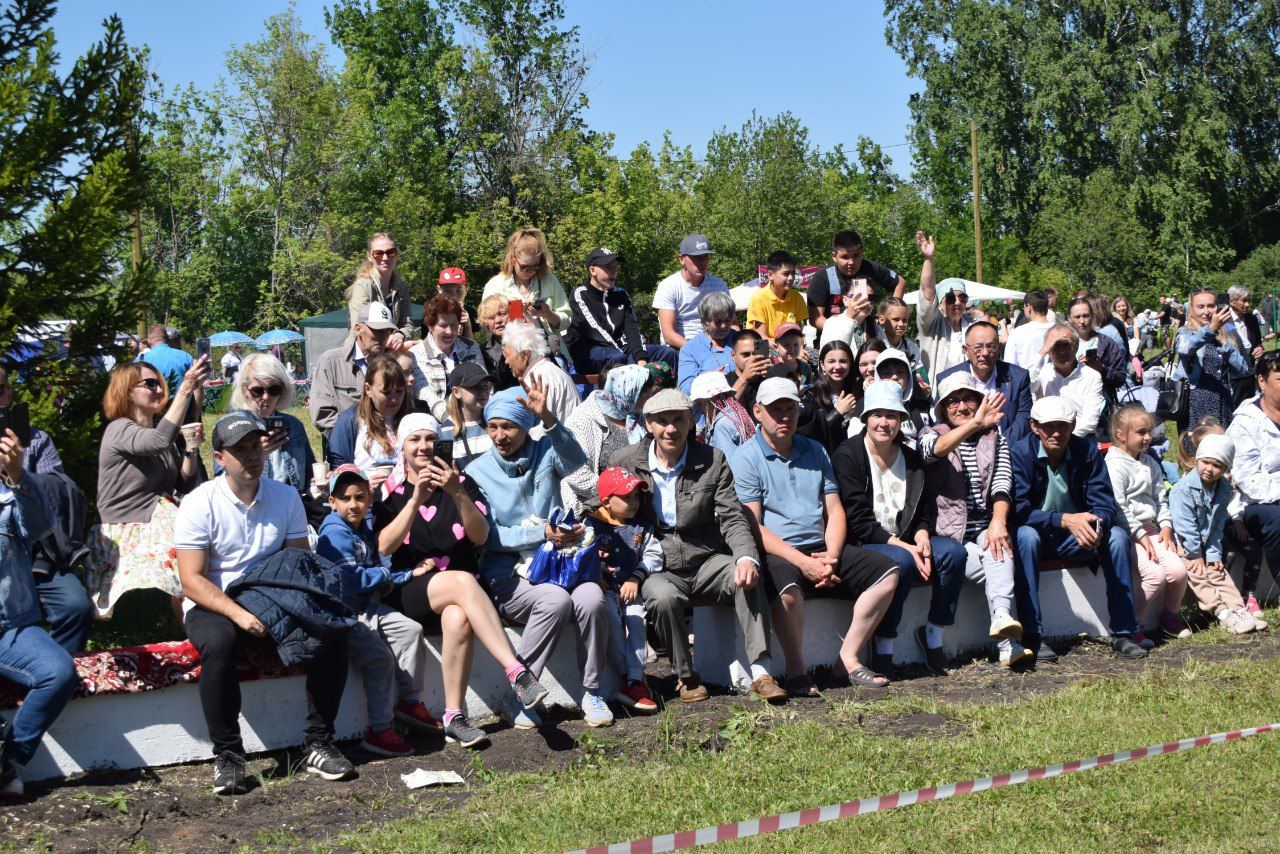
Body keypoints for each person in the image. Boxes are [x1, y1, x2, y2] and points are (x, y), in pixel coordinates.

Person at [175, 412, 355, 795]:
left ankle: (318, 743)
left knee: (333, 630)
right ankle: (229, 755)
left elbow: (299, 566)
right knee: (219, 643)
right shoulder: (198, 502)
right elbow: (191, 579)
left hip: (274, 596)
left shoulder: (285, 495)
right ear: (219, 457)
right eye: (240, 450)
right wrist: (239, 613)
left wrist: (297, 612)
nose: (251, 456)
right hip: (215, 602)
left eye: (255, 446)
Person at [371, 414, 553, 746]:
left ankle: (454, 715)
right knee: (463, 581)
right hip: (412, 588)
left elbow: (481, 536)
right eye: (415, 439)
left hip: (460, 593)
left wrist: (456, 493)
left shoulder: (461, 482)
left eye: (431, 438)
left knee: (457, 617)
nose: (424, 446)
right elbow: (384, 546)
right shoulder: (389, 491)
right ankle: (516, 671)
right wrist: (414, 501)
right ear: (402, 447)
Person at [610, 388, 786, 703]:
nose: (671, 429)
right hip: (657, 563)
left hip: (706, 559)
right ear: (649, 424)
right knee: (662, 596)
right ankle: (685, 676)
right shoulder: (625, 461)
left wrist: (746, 557)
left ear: (691, 420)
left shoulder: (712, 460)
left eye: (679, 419)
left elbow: (733, 518)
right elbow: (607, 508)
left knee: (746, 574)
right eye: (662, 421)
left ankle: (761, 672)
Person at [732, 377, 899, 693]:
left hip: (822, 547)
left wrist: (831, 557)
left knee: (887, 572)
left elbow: (835, 511)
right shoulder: (746, 457)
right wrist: (802, 561)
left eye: (790, 409)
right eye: (775, 410)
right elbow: (753, 526)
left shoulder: (816, 450)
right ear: (757, 411)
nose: (784, 417)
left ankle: (847, 659)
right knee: (789, 591)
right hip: (778, 550)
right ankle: (797, 672)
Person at [465, 381, 613, 728]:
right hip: (509, 573)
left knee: (592, 598)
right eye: (493, 426)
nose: (500, 436)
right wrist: (541, 532)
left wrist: (547, 418)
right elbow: (490, 537)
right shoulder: (477, 472)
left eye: (509, 426)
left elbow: (576, 460)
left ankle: (592, 691)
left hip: (563, 565)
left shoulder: (544, 449)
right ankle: (521, 691)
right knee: (555, 601)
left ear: (524, 427)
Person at [833, 381, 969, 677]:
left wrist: (921, 534)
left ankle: (933, 633)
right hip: (865, 544)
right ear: (865, 417)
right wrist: (905, 546)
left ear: (901, 420)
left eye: (892, 415)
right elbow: (858, 521)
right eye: (877, 414)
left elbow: (922, 511)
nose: (884, 422)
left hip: (905, 539)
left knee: (954, 554)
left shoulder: (911, 458)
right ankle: (884, 643)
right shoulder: (849, 455)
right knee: (901, 560)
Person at [1010, 396, 1147, 662]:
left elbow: (1105, 505)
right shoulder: (1020, 453)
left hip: (1078, 535)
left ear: (1073, 425)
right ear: (1034, 426)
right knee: (1025, 537)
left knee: (1117, 536)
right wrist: (1063, 520)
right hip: (1040, 533)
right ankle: (1033, 635)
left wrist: (1096, 526)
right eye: (1048, 426)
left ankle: (1123, 632)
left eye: (1063, 425)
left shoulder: (1086, 451)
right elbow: (1018, 510)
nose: (1056, 433)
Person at [314, 464, 431, 758]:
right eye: (345, 498)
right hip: (346, 613)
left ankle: (409, 702)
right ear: (332, 502)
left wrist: (405, 575)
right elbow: (351, 579)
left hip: (368, 605)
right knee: (379, 659)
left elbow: (376, 572)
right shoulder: (334, 533)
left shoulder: (361, 527)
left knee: (411, 630)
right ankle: (379, 731)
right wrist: (385, 577)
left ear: (369, 498)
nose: (353, 504)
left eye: (360, 497)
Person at [81, 358, 209, 618]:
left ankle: (197, 625)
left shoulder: (159, 436)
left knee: (199, 542)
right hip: (127, 526)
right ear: (126, 391)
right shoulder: (119, 429)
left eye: (160, 384)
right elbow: (157, 441)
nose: (160, 390)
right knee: (189, 558)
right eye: (150, 384)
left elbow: (184, 484)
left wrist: (191, 450)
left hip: (157, 518)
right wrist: (185, 388)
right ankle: (195, 621)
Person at [920, 374, 1029, 666]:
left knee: (999, 546)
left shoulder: (994, 437)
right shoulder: (931, 432)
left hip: (982, 527)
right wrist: (974, 425)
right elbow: (933, 452)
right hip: (947, 535)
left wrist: (998, 521)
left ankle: (1004, 624)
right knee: (995, 565)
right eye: (952, 401)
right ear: (942, 408)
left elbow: (1002, 483)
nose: (961, 406)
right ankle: (1008, 641)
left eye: (968, 398)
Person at [0, 427, 80, 798]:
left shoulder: (10, 487)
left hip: (10, 625)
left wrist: (18, 476)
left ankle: (8, 761)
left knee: (58, 671)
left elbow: (40, 528)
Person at [0, 367, 93, 653]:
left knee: (76, 607)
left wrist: (17, 473)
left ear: (9, 395)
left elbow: (58, 497)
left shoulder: (35, 440)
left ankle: (51, 671)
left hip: (38, 554)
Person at [1104, 404, 1191, 640]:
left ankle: (1169, 616)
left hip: (1152, 529)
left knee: (1178, 571)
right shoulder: (1114, 464)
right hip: (1129, 531)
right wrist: (1140, 537)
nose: (1148, 437)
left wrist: (1165, 525)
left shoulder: (1150, 462)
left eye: (1149, 431)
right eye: (1141, 432)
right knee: (1155, 575)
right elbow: (1119, 506)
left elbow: (1160, 498)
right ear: (1121, 434)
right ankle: (1133, 624)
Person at [1169, 434, 1266, 634]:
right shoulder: (1183, 490)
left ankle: (1239, 610)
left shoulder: (1224, 489)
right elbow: (1185, 526)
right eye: (1205, 462)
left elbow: (1217, 524)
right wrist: (1196, 555)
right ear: (1197, 459)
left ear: (1225, 468)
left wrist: (1212, 554)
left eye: (1217, 465)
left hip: (1206, 543)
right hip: (1186, 545)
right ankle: (1222, 613)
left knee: (1218, 571)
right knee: (1199, 575)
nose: (1209, 469)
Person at [585, 467, 661, 714]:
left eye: (636, 497)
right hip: (604, 588)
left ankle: (635, 678)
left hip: (630, 586)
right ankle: (627, 675)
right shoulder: (591, 524)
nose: (634, 503)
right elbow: (580, 555)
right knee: (611, 618)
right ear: (607, 501)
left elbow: (653, 555)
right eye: (626, 497)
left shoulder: (642, 526)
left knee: (637, 619)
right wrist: (596, 571)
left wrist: (637, 577)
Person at [227, 353, 320, 518]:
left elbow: (309, 476)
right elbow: (223, 483)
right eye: (258, 390)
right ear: (244, 389)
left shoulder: (293, 425)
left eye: (274, 390)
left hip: (291, 511)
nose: (266, 397)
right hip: (249, 513)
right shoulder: (231, 426)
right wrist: (257, 453)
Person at [560, 364, 654, 513]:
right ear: (628, 392)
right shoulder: (582, 420)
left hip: (638, 503)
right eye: (644, 394)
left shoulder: (636, 415)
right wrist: (614, 497)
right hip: (600, 508)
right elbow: (576, 472)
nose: (648, 399)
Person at [567, 247, 676, 373]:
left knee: (667, 353)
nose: (613, 272)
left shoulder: (621, 294)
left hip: (620, 349)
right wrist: (630, 359)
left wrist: (640, 358)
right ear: (592, 270)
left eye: (615, 268)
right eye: (608, 268)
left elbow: (631, 329)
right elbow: (595, 330)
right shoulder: (580, 294)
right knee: (617, 358)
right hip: (591, 351)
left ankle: (667, 392)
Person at [935, 321, 1033, 444]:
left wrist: (1000, 447)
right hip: (963, 450)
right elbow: (942, 421)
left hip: (1007, 448)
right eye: (978, 347)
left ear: (999, 348)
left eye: (991, 346)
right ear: (965, 349)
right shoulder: (947, 379)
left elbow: (1024, 417)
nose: (985, 353)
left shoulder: (1018, 377)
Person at [481, 227, 571, 360]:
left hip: (551, 352)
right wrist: (514, 315)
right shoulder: (495, 285)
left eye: (536, 266)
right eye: (524, 266)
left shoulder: (549, 280)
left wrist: (547, 313)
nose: (531, 271)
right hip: (512, 357)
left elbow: (567, 319)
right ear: (513, 259)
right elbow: (485, 328)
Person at [327, 356, 412, 496]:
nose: (394, 399)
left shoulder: (412, 419)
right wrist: (362, 484)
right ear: (368, 389)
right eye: (386, 392)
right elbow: (338, 473)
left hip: (407, 500)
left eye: (399, 391)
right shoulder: (350, 422)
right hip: (366, 506)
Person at [312, 302, 396, 438]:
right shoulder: (331, 361)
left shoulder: (392, 365)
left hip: (387, 444)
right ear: (358, 329)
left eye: (387, 331)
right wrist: (351, 441)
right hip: (347, 446)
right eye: (377, 330)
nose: (383, 336)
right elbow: (322, 414)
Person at [1174, 288, 1248, 431]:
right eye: (1200, 307)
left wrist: (1224, 343)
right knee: (1197, 450)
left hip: (1223, 400)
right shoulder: (1185, 332)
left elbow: (1243, 368)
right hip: (1196, 402)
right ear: (1192, 310)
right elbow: (1185, 349)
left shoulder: (1226, 332)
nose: (1206, 312)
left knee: (1221, 450)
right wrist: (1211, 329)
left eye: (1211, 306)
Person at [806, 229, 906, 333]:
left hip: (868, 334)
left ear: (862, 254)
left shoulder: (871, 267)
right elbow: (815, 319)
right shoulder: (822, 277)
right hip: (834, 338)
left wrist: (892, 313)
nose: (851, 262)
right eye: (845, 257)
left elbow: (900, 282)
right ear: (834, 256)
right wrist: (843, 329)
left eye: (856, 256)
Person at [407, 295, 485, 421]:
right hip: (438, 421)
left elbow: (485, 385)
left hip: (476, 416)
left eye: (454, 325)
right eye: (443, 325)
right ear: (430, 326)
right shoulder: (415, 354)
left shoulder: (471, 347)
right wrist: (453, 420)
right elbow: (425, 395)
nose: (449, 331)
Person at [913, 232, 972, 388]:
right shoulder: (931, 325)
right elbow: (927, 291)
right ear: (940, 303)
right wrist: (929, 259)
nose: (957, 302)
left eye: (962, 298)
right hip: (939, 397)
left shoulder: (973, 327)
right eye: (951, 298)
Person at [500, 318, 580, 433]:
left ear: (525, 355)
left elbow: (541, 430)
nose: (506, 362)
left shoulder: (536, 380)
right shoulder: (547, 369)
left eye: (507, 355)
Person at [652, 234, 731, 348]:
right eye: (696, 257)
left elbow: (732, 324)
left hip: (715, 342)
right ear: (681, 259)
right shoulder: (668, 286)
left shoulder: (718, 285)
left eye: (705, 256)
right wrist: (697, 350)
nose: (702, 262)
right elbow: (668, 335)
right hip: (679, 347)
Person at [1032, 324, 1105, 438]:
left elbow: (1090, 421)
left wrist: (1062, 437)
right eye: (1056, 345)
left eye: (1066, 345)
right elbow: (1027, 386)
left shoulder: (1092, 376)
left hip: (1079, 439)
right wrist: (1043, 352)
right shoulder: (1041, 373)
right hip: (1045, 438)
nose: (1062, 351)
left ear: (1076, 347)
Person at [346, 232, 414, 350]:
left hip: (387, 351)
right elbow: (358, 328)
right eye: (378, 253)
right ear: (369, 256)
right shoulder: (363, 286)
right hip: (362, 353)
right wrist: (388, 338)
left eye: (390, 252)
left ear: (396, 255)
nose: (385, 258)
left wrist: (400, 335)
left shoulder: (402, 287)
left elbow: (407, 324)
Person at [796, 341, 861, 457]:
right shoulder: (810, 395)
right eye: (831, 361)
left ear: (850, 364)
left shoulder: (859, 392)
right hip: (825, 460)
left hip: (855, 460)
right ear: (822, 365)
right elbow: (809, 434)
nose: (837, 367)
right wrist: (837, 413)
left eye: (843, 361)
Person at [676, 291, 739, 394]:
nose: (723, 326)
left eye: (727, 320)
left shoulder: (741, 339)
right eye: (717, 322)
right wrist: (709, 380)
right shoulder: (690, 349)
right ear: (705, 321)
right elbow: (686, 389)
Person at [1066, 297, 1128, 399]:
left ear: (1092, 316)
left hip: (1102, 403)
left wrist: (1101, 369)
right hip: (1070, 403)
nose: (1082, 321)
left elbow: (1120, 378)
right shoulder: (1062, 344)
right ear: (1069, 319)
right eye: (1077, 317)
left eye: (1086, 316)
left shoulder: (1107, 343)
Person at [440, 362, 494, 470]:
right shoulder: (446, 432)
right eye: (475, 387)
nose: (483, 392)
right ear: (456, 392)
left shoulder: (495, 421)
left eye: (486, 386)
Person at [691, 370, 756, 459]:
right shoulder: (737, 415)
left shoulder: (721, 426)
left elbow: (727, 463)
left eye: (700, 404)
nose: (701, 411)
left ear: (711, 399)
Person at [746, 250, 808, 340]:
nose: (791, 278)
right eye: (786, 274)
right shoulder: (759, 298)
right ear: (770, 275)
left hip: (790, 347)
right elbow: (761, 338)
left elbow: (798, 334)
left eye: (793, 273)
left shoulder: (797, 297)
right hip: (765, 349)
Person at [1224, 285, 1265, 408]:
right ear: (1232, 301)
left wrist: (1260, 348)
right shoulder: (1224, 320)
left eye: (1249, 301)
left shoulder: (1251, 319)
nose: (1247, 305)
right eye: (1244, 301)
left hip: (1251, 373)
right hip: (1232, 376)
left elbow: (1258, 342)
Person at [138, 324, 194, 401]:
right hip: (182, 407)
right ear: (167, 339)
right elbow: (197, 386)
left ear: (148, 340)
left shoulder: (141, 359)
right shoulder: (186, 357)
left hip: (153, 407)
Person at [476, 294, 519, 391]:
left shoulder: (527, 340)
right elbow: (497, 382)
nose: (498, 320)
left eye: (502, 314)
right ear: (485, 323)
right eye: (491, 318)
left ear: (510, 315)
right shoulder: (482, 351)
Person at [1005, 290, 1054, 373]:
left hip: (1026, 383)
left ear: (1029, 307)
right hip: (1057, 383)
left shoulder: (1017, 333)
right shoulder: (1059, 330)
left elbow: (1009, 367)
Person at [723, 329, 772, 410]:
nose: (751, 359)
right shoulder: (724, 382)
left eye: (755, 354)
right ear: (733, 356)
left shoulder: (770, 377)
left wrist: (771, 375)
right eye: (745, 355)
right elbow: (724, 413)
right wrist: (744, 378)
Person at [817, 283, 874, 350]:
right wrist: (849, 318)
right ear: (845, 300)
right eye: (859, 297)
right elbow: (834, 354)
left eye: (870, 297)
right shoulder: (832, 324)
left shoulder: (877, 329)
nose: (865, 302)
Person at [872, 297, 922, 370]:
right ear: (881, 320)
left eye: (905, 320)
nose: (901, 324)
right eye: (896, 319)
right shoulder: (874, 345)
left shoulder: (912, 347)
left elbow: (918, 375)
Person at [436, 266, 474, 340]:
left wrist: (467, 326)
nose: (454, 297)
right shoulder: (432, 312)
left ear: (466, 289)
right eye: (448, 291)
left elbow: (472, 348)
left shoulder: (471, 313)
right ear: (439, 289)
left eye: (458, 291)